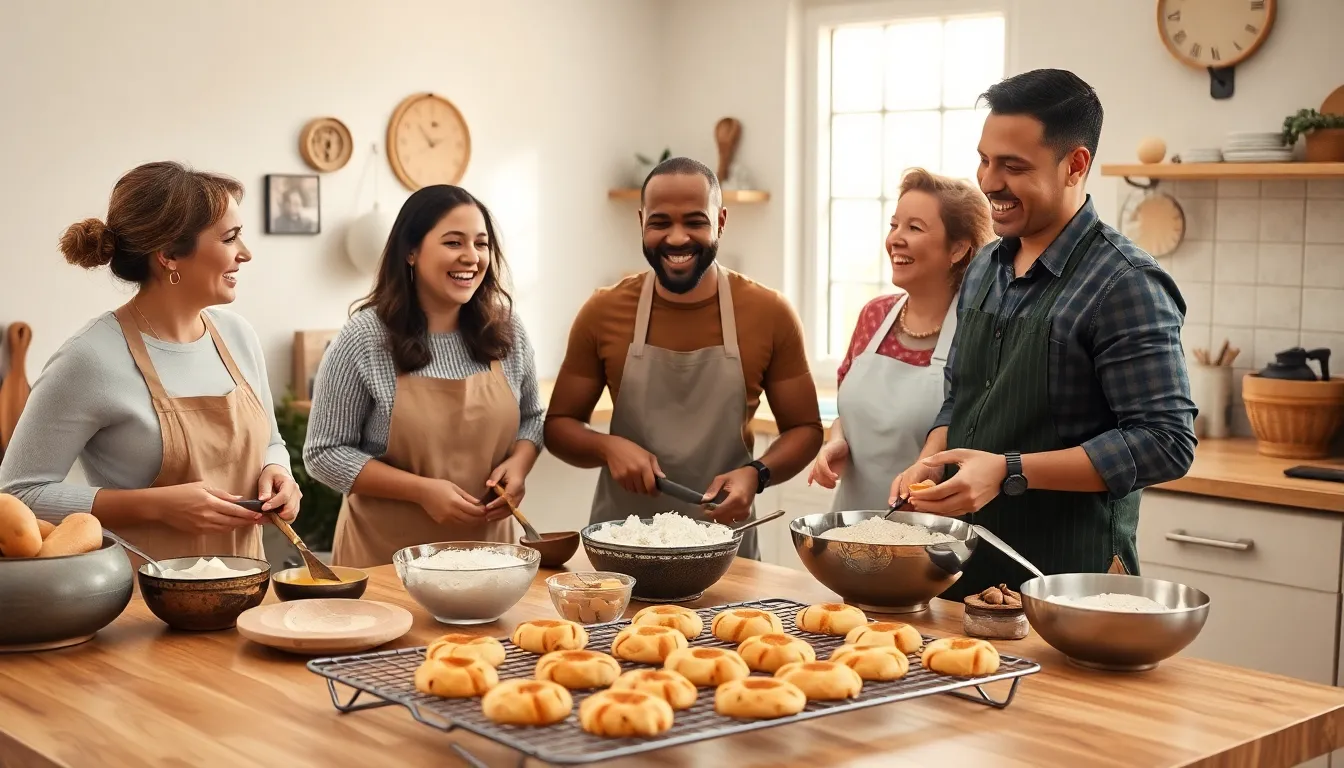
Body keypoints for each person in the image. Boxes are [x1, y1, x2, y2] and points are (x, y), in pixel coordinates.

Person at [890, 69, 1197, 598]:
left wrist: (1009, 471)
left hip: (1069, 583)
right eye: (985, 160)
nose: (988, 181)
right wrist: (931, 458)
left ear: (1075, 165)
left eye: (1013, 166)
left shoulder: (1127, 283)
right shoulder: (985, 265)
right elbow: (962, 395)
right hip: (962, 567)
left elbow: (1166, 443)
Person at [0, 161, 300, 562]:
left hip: (245, 589)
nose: (244, 254)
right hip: (139, 603)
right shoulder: (90, 358)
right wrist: (156, 505)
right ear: (169, 255)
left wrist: (278, 472)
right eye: (229, 239)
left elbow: (272, 443)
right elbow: (17, 494)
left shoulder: (238, 336)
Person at [545, 157, 823, 560]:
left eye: (695, 222)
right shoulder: (602, 311)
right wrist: (608, 448)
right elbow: (558, 426)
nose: (677, 238)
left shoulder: (769, 313)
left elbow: (805, 428)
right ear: (641, 221)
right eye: (660, 223)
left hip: (726, 551)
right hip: (624, 548)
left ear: (721, 222)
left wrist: (756, 474)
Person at [303, 184, 543, 568]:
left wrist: (520, 465)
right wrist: (421, 492)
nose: (471, 257)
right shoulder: (365, 337)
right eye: (453, 242)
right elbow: (323, 453)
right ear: (411, 251)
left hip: (490, 560)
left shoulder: (506, 329)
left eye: (481, 244)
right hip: (386, 561)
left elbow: (532, 417)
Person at [807, 169, 993, 511]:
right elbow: (848, 414)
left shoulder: (975, 332)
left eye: (915, 227)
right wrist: (836, 442)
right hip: (849, 525)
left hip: (929, 533)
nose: (896, 238)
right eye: (894, 225)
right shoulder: (873, 316)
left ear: (958, 249)